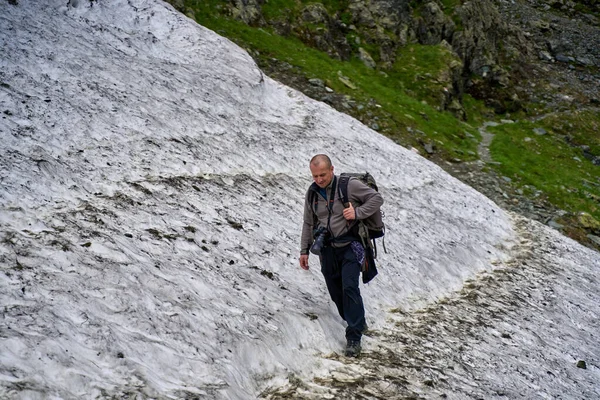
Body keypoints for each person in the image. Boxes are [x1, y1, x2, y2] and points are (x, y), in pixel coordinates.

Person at [299, 154, 383, 357]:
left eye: (322, 175)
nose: (319, 180)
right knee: (336, 293)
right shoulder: (312, 193)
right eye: (315, 176)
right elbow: (308, 222)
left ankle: (353, 337)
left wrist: (358, 213)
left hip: (351, 245)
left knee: (349, 287)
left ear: (332, 170)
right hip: (327, 249)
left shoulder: (349, 185)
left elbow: (376, 198)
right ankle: (358, 321)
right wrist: (304, 250)